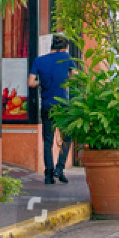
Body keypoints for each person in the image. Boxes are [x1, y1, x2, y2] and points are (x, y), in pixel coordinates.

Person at [29, 34, 74, 185]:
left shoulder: (39, 60)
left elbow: (30, 82)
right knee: (66, 138)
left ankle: (48, 174)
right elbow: (75, 76)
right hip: (62, 106)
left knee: (47, 141)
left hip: (47, 105)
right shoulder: (66, 58)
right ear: (64, 47)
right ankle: (59, 169)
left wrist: (42, 82)